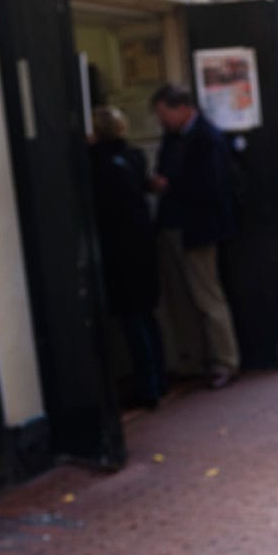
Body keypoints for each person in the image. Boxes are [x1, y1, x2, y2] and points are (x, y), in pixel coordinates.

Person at [150, 83, 241, 390]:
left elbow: (213, 186)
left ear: (182, 108)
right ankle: (193, 359)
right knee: (181, 298)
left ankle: (225, 360)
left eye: (165, 114)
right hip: (177, 225)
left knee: (207, 295)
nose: (162, 121)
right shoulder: (175, 137)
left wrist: (170, 186)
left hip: (199, 228)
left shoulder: (206, 139)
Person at [87, 106, 166, 409]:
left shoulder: (96, 162)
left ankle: (148, 386)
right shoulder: (134, 157)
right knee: (146, 315)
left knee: (134, 319)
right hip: (142, 242)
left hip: (118, 249)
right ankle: (156, 379)